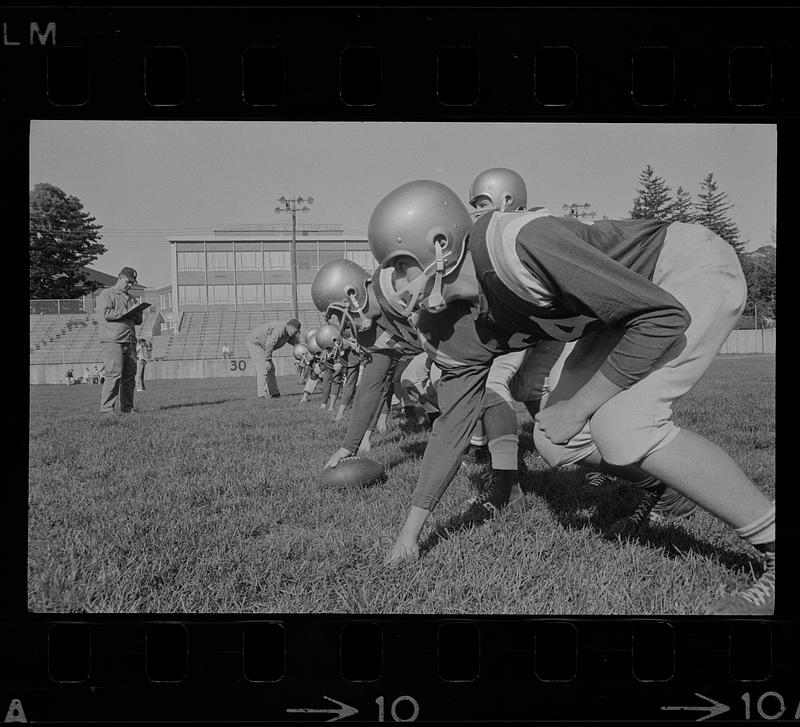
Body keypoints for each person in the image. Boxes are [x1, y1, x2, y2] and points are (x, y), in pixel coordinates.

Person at [368, 179, 775, 616]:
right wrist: (409, 536)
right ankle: (667, 489)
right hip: (623, 312)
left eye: (400, 266)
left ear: (439, 244)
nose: (398, 283)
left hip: (681, 268)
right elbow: (451, 429)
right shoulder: (458, 323)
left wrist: (578, 406)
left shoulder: (521, 244)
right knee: (555, 440)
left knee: (621, 424)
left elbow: (662, 317)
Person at [97, 267, 147, 414]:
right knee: (114, 375)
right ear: (119, 278)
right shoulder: (107, 294)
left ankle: (127, 408)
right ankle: (106, 410)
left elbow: (137, 321)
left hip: (130, 340)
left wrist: (138, 312)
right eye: (128, 281)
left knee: (129, 377)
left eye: (132, 283)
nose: (130, 285)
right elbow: (107, 313)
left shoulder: (131, 298)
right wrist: (126, 312)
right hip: (113, 340)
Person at [244, 318, 301, 399]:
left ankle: (274, 393)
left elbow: (298, 345)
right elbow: (270, 344)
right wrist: (267, 360)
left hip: (263, 346)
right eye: (296, 331)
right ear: (291, 328)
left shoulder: (289, 334)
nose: (296, 334)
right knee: (264, 367)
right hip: (255, 343)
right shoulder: (280, 330)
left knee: (271, 369)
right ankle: (262, 395)